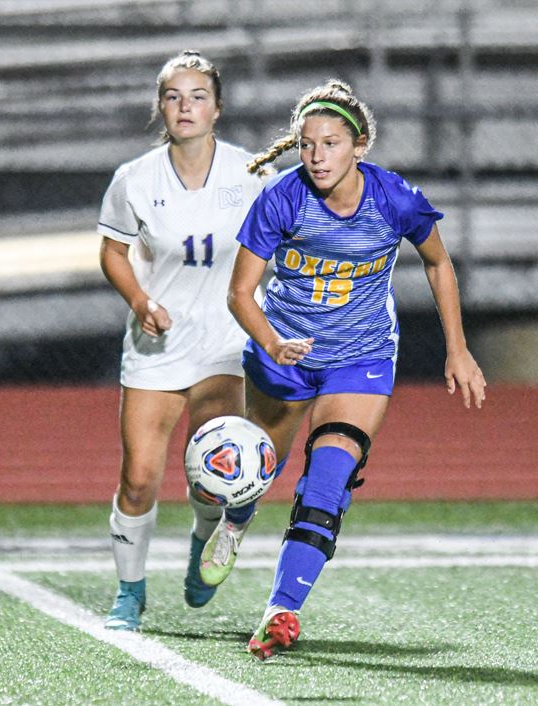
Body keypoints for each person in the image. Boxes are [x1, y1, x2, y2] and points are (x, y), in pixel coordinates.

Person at [199, 78, 487, 658]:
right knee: (262, 467)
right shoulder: (282, 197)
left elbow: (437, 261)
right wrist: (274, 343)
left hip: (362, 357)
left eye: (330, 143)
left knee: (327, 482)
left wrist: (457, 347)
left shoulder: (394, 197)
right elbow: (239, 294)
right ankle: (235, 520)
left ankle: (281, 612)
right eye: (306, 144)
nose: (316, 155)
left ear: (359, 146)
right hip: (285, 351)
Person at [96, 50, 267, 631]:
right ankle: (129, 592)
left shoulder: (251, 174)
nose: (185, 106)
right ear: (161, 108)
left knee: (213, 472)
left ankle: (202, 544)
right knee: (139, 477)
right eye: (174, 97)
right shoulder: (134, 179)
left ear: (217, 108)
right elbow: (112, 253)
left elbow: (285, 241)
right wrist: (141, 302)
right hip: (156, 347)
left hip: (224, 341)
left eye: (197, 96)